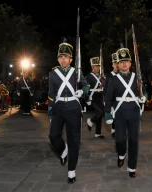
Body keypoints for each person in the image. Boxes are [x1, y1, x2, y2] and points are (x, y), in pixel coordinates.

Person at [48, 39, 89, 184]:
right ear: (58, 59)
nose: (62, 59)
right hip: (58, 107)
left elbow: (86, 85)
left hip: (73, 107)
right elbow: (51, 93)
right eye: (60, 57)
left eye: (65, 57)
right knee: (53, 136)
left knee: (74, 140)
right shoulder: (53, 74)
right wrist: (50, 112)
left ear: (71, 59)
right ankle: (62, 150)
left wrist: (81, 92)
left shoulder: (76, 72)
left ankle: (71, 170)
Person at [104, 47, 146, 178]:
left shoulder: (136, 77)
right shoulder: (113, 79)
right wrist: (107, 113)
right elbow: (108, 98)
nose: (124, 64)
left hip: (134, 111)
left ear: (130, 63)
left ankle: (131, 167)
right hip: (120, 112)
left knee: (134, 140)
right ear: (118, 63)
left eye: (126, 61)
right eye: (121, 61)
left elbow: (143, 91)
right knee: (120, 140)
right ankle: (121, 153)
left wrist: (144, 96)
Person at [86, 57, 105, 139]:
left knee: (100, 115)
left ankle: (98, 133)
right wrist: (87, 99)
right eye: (96, 66)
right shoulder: (89, 76)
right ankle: (90, 120)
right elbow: (86, 88)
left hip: (100, 97)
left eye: (98, 66)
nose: (97, 68)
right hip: (93, 97)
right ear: (92, 67)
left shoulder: (102, 76)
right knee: (101, 111)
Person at [103, 53, 119, 138]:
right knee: (114, 115)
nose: (116, 65)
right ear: (112, 64)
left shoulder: (122, 74)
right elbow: (106, 89)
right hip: (112, 99)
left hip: (121, 99)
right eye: (115, 63)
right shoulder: (109, 75)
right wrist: (105, 101)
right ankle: (114, 129)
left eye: (118, 63)